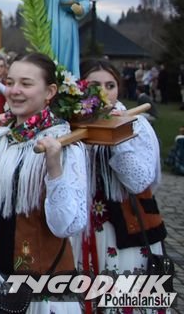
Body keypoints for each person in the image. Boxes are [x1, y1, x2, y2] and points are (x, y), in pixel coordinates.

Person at [0, 53, 87, 313]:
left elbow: (66, 226)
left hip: (39, 289)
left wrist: (54, 168)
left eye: (26, 83)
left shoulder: (65, 146)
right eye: (10, 82)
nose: (14, 91)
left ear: (50, 92)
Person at [78, 59, 168, 308]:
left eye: (110, 85)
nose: (104, 93)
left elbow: (141, 183)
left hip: (125, 228)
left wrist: (118, 135)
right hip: (81, 228)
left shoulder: (137, 125)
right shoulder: (71, 125)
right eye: (94, 86)